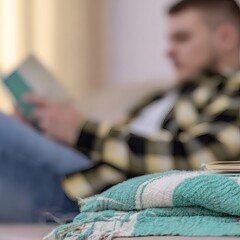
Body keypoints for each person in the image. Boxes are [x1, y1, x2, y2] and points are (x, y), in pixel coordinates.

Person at [0, 0, 239, 222]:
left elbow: (197, 159)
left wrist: (81, 131)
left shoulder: (232, 90)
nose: (169, 51)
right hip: (81, 171)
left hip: (88, 194)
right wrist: (49, 128)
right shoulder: (161, 96)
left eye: (182, 38)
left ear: (226, 37)